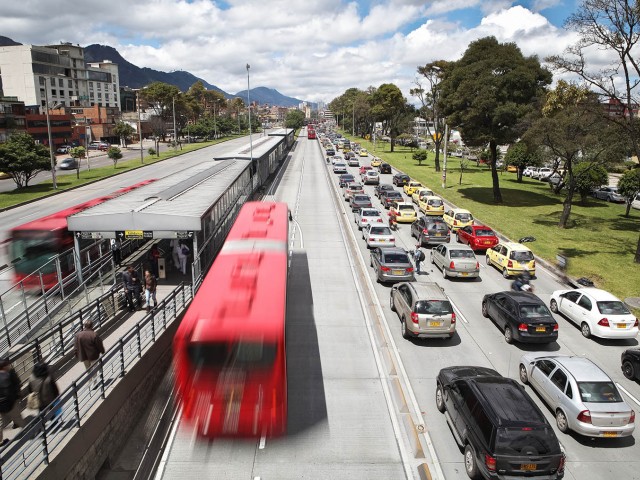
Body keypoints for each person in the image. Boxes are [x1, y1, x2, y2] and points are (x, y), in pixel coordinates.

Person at [0, 358, 26, 447]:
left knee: (2, 424)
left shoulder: (7, 373)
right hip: (10, 403)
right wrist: (16, 397)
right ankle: (28, 432)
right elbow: (12, 388)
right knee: (18, 417)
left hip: (2, 405)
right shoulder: (7, 374)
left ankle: (0, 441)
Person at [74, 319, 105, 390]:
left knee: (88, 370)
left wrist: (76, 354)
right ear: (91, 326)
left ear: (84, 326)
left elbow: (75, 347)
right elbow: (99, 344)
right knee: (94, 369)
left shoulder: (78, 335)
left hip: (84, 356)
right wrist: (102, 351)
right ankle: (95, 383)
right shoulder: (94, 334)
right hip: (93, 355)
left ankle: (90, 383)